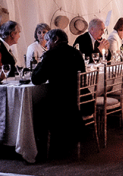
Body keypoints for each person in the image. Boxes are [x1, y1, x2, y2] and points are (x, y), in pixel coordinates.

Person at [32, 29, 86, 157]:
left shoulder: (51, 55)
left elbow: (36, 79)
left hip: (60, 104)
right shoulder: (76, 53)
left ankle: (40, 146)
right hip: (78, 101)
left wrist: (40, 63)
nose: (46, 45)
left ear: (55, 39)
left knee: (34, 107)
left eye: (48, 41)